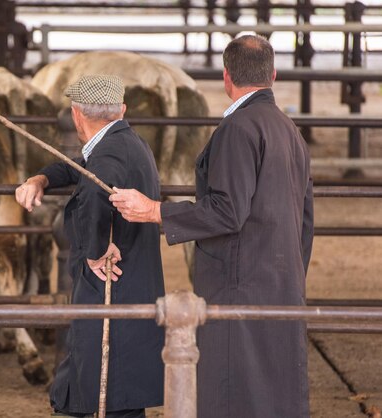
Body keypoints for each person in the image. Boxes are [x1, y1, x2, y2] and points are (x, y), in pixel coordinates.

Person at [109, 35, 314, 418]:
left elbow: (227, 211)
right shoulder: (290, 131)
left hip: (238, 282)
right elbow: (305, 219)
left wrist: (156, 211)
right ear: (272, 74)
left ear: (226, 77)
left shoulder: (238, 129)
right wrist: (292, 273)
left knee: (230, 390)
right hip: (280, 280)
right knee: (274, 391)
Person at [15, 75, 165, 418]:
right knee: (100, 384)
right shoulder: (123, 142)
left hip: (112, 287)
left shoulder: (109, 154)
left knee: (103, 386)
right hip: (130, 286)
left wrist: (96, 251)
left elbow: (96, 194)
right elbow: (80, 170)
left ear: (75, 114)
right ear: (122, 110)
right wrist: (42, 178)